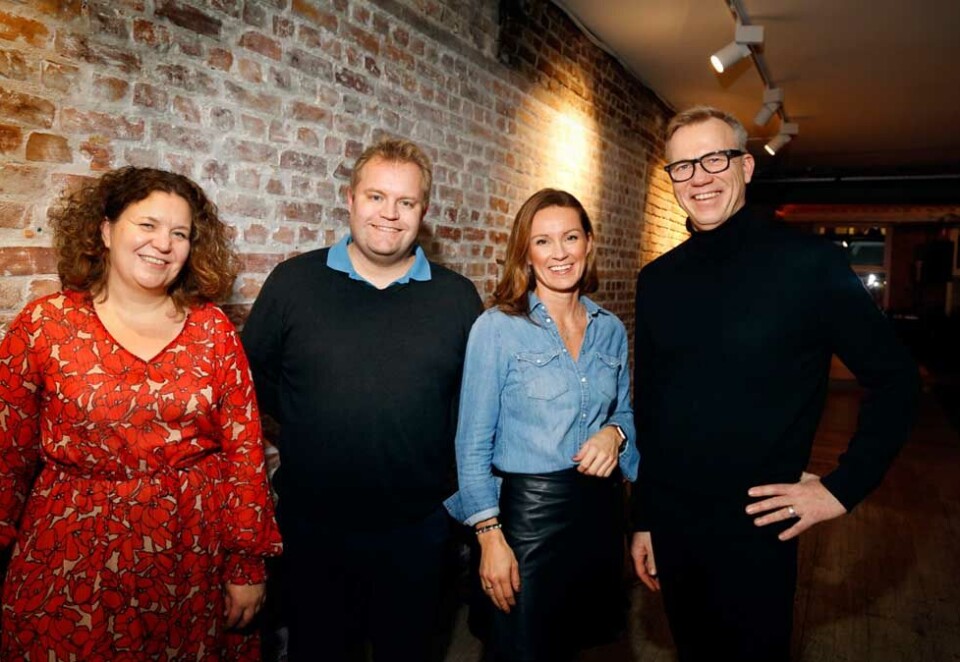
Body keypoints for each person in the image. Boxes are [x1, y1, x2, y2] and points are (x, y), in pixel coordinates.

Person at [629, 106, 920, 661]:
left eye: (714, 159)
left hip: (758, 531)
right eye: (683, 166)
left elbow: (896, 380)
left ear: (745, 166)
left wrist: (842, 487)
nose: (699, 177)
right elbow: (653, 409)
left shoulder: (807, 265)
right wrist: (643, 519)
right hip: (673, 526)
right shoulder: (658, 280)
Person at [0, 167, 282, 660]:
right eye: (147, 225)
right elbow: (7, 451)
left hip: (192, 555)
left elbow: (245, 455)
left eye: (180, 233)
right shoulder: (45, 324)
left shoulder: (212, 329)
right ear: (106, 230)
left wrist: (246, 566)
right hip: (72, 551)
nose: (164, 244)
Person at [241, 138, 483, 661]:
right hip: (314, 528)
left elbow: (472, 403)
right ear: (349, 199)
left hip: (417, 531)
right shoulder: (293, 283)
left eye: (406, 202)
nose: (389, 215)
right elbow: (251, 378)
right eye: (376, 197)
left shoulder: (457, 297)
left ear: (423, 211)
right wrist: (312, 418)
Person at [445, 188, 639, 661]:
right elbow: (470, 443)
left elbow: (628, 412)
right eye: (543, 241)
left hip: (599, 512)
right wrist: (489, 537)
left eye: (570, 237)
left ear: (588, 243)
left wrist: (614, 434)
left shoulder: (609, 328)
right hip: (528, 519)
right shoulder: (497, 328)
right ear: (526, 254)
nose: (559, 253)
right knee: (519, 649)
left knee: (576, 646)